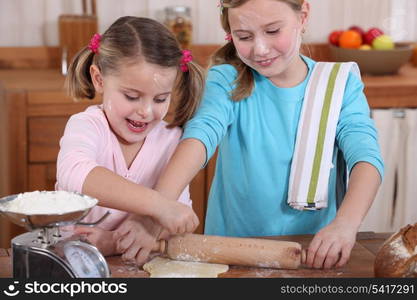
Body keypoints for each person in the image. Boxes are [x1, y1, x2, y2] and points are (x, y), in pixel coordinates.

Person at [153, 0, 384, 269]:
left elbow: (366, 158)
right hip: (231, 253)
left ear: (303, 15)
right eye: (244, 36)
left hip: (313, 252)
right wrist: (157, 206)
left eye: (273, 31)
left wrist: (345, 225)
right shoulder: (225, 80)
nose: (260, 49)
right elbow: (200, 135)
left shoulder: (339, 84)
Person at [55, 16, 203, 264]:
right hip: (72, 265)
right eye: (132, 96)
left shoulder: (172, 141)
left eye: (160, 99)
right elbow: (75, 173)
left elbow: (176, 220)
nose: (145, 111)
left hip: (137, 266)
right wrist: (158, 206)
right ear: (99, 79)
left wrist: (115, 241)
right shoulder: (87, 126)